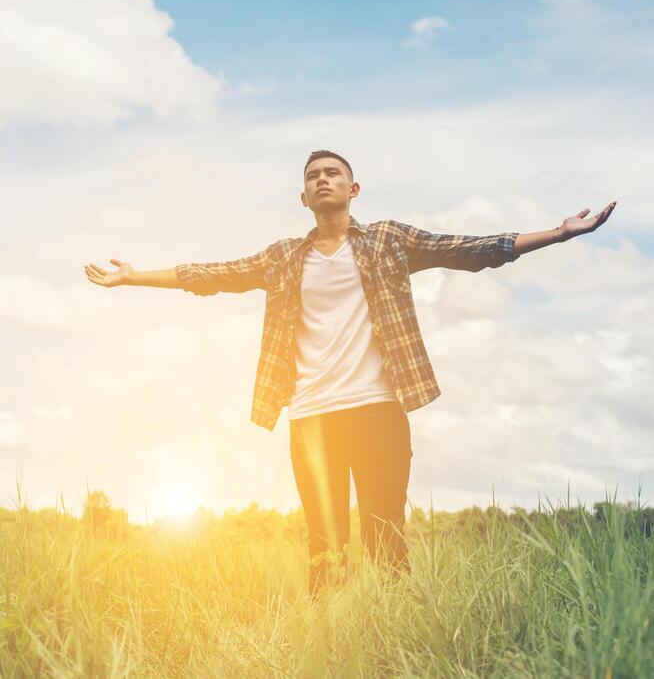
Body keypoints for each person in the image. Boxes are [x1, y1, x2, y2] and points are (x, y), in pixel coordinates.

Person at [84, 150, 617, 598]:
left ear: (354, 188)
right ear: (303, 198)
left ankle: (393, 639)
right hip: (313, 415)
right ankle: (332, 643)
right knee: (325, 542)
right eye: (312, 176)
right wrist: (133, 278)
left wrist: (559, 233)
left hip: (379, 408)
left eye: (332, 172)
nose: (322, 180)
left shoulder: (387, 241)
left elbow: (470, 251)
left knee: (385, 535)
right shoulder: (284, 257)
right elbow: (210, 276)